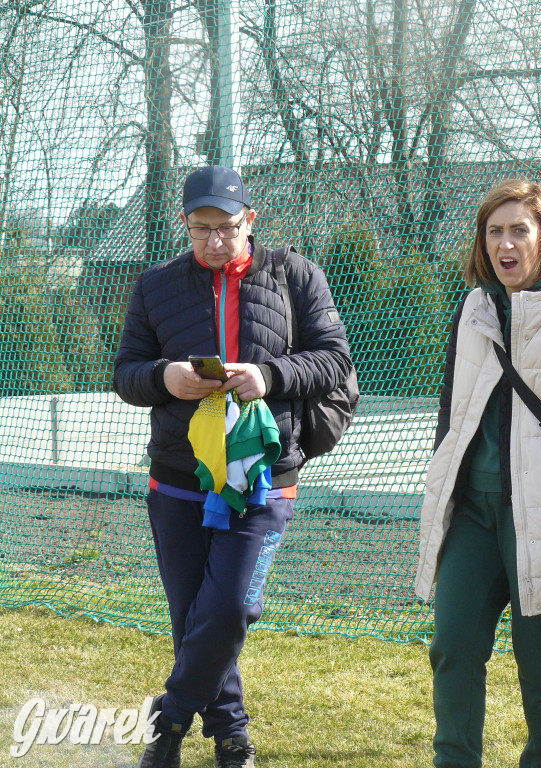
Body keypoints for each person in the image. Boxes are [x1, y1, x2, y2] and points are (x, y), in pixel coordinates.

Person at [114, 165, 354, 768]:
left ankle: (166, 722)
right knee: (193, 616)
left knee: (230, 609)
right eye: (201, 230)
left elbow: (333, 360)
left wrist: (268, 376)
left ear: (250, 220)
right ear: (185, 226)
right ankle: (231, 737)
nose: (214, 241)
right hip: (177, 479)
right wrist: (165, 378)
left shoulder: (295, 276)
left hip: (263, 479)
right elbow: (126, 375)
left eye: (226, 227)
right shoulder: (154, 286)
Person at [414, 179, 541, 768]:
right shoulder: (474, 306)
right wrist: (446, 469)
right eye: (494, 231)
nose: (505, 244)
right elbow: (452, 407)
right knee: (452, 647)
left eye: (519, 231)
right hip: (473, 514)